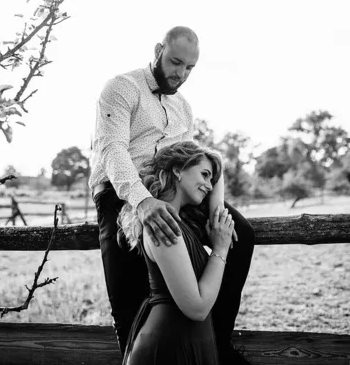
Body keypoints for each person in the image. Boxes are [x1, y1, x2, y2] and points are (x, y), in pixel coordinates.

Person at [89, 26, 254, 364]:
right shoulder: (122, 87)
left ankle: (217, 343)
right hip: (119, 193)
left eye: (189, 68)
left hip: (170, 191)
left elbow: (193, 159)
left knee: (241, 235)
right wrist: (142, 200)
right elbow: (112, 149)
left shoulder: (184, 108)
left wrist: (214, 209)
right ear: (158, 50)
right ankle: (133, 356)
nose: (181, 74)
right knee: (127, 289)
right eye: (175, 62)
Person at [118, 141, 233, 365]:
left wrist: (213, 162)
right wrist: (220, 249)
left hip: (185, 340)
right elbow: (197, 308)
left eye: (212, 178)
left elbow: (216, 191)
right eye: (205, 175)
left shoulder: (181, 221)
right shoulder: (163, 224)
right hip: (167, 347)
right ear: (178, 169)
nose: (210, 185)